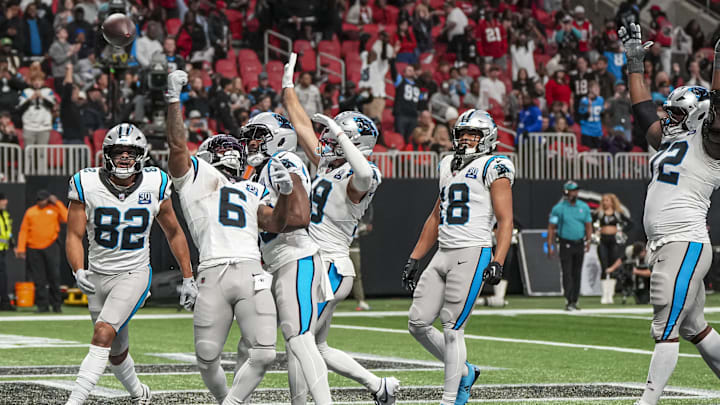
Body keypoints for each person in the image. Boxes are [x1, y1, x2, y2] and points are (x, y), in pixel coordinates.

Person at [165, 70, 294, 404]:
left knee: (264, 353)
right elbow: (177, 144)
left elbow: (276, 223)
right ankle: (228, 399)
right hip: (213, 270)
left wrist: (288, 193)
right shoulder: (194, 179)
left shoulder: (251, 187)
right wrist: (172, 100)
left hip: (251, 270)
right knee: (207, 356)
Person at [283, 53, 399, 405]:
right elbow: (303, 126)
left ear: (353, 143)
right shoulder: (328, 166)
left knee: (298, 338)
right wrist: (288, 87)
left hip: (331, 265)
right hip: (317, 263)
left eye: (337, 137)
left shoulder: (361, 174)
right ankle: (380, 387)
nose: (328, 140)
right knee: (314, 344)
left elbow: (362, 174)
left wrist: (342, 138)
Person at [620, 23, 720, 405]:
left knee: (664, 324)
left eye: (676, 112)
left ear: (698, 118)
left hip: (685, 241)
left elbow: (719, 99)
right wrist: (633, 64)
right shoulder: (672, 137)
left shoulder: (710, 144)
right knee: (694, 326)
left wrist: (719, 52)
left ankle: (646, 402)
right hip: (669, 241)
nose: (667, 116)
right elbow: (643, 109)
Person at [64, 124, 196, 405]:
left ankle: (74, 400)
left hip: (133, 272)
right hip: (98, 275)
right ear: (106, 154)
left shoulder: (155, 182)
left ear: (142, 155)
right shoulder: (86, 183)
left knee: (102, 334)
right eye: (118, 151)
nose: (124, 157)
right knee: (116, 350)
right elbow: (74, 235)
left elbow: (174, 232)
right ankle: (140, 394)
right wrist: (78, 269)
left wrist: (188, 276)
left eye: (131, 152)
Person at [403, 109, 514, 405]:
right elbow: (436, 215)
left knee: (452, 329)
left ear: (487, 137)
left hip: (473, 251)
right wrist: (415, 257)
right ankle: (464, 371)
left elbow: (505, 220)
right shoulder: (446, 164)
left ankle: (450, 400)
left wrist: (498, 259)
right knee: (417, 323)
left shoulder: (495, 164)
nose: (466, 138)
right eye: (462, 133)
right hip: (443, 252)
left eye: (473, 134)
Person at [239, 109, 332, 404]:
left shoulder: (285, 161)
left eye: (258, 137)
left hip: (296, 256)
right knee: (252, 344)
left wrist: (265, 217)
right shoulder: (258, 170)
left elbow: (301, 215)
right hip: (276, 262)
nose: (251, 143)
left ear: (277, 138)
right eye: (250, 138)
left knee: (300, 339)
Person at [16, 190, 68, 313]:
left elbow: (66, 218)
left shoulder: (54, 209)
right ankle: (42, 305)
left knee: (54, 277)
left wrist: (58, 203)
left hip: (51, 246)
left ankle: (56, 305)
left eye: (43, 200)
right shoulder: (31, 212)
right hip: (33, 248)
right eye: (39, 200)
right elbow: (23, 231)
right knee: (39, 279)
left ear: (48, 199)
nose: (41, 202)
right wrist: (21, 248)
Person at [547, 181, 592, 311]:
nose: (574, 193)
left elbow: (588, 225)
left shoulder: (583, 207)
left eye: (576, 190)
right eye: (572, 191)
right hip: (565, 242)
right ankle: (568, 299)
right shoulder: (559, 208)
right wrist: (550, 245)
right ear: (566, 192)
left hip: (579, 242)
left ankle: (575, 300)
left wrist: (588, 241)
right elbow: (551, 227)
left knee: (577, 273)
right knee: (567, 272)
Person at [593, 193, 632, 304]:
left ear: (612, 202)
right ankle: (604, 294)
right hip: (603, 241)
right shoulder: (599, 214)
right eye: (603, 200)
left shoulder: (618, 214)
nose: (605, 202)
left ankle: (610, 294)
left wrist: (621, 231)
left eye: (607, 200)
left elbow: (630, 224)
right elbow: (590, 223)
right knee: (604, 265)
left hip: (614, 241)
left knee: (613, 265)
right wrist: (596, 232)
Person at [391, 62, 422, 140]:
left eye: (412, 70)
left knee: (411, 139)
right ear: (404, 73)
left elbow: (420, 101)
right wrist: (392, 60)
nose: (411, 72)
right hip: (401, 114)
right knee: (400, 138)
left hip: (413, 116)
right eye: (408, 70)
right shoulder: (400, 81)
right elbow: (393, 72)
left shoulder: (418, 85)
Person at [351, 204, 373, 311]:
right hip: (337, 245)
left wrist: (364, 228)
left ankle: (360, 301)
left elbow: (357, 231)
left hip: (353, 246)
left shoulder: (357, 212)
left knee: (357, 275)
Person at [578, 81, 604, 150]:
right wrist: (589, 106)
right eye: (595, 88)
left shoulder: (601, 100)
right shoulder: (584, 100)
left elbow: (602, 114)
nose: (597, 90)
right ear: (590, 89)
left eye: (598, 88)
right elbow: (582, 115)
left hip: (597, 130)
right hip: (587, 130)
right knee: (587, 151)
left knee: (597, 152)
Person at [0, 193, 14, 311]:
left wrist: (12, 243)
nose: (5, 202)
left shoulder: (5, 215)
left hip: (2, 250)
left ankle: (4, 302)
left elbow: (7, 231)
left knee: (3, 278)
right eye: (3, 200)